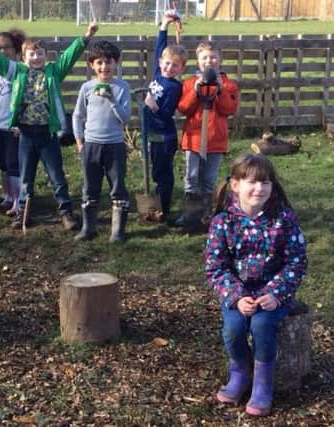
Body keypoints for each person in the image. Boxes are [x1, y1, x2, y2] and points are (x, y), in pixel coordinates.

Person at [205, 153, 307, 416]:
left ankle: (262, 384)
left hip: (273, 295)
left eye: (266, 182)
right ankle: (240, 373)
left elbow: (296, 261)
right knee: (234, 329)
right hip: (237, 294)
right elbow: (216, 267)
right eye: (252, 181)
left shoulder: (283, 219)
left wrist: (275, 293)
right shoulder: (223, 221)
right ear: (236, 184)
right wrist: (237, 296)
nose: (259, 188)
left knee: (262, 326)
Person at [0, 23, 99, 230]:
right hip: (26, 135)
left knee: (57, 176)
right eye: (32, 54)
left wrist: (85, 38)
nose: (36, 57)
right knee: (25, 178)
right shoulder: (16, 73)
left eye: (40, 53)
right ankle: (23, 212)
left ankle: (66, 212)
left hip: (47, 135)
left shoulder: (53, 72)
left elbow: (69, 56)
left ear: (45, 55)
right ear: (23, 57)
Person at [72, 40, 131, 242]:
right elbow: (78, 115)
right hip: (91, 144)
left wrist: (112, 100)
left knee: (117, 185)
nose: (104, 67)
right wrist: (80, 141)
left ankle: (117, 231)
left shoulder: (122, 87)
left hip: (114, 145)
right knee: (90, 186)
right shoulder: (87, 87)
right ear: (92, 65)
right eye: (99, 62)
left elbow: (125, 118)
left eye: (109, 62)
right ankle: (89, 228)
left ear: (116, 64)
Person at [177, 39, 239, 224]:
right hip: (194, 139)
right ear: (198, 61)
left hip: (215, 140)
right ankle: (190, 213)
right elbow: (183, 108)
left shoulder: (229, 85)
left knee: (208, 179)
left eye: (213, 57)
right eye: (204, 58)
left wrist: (220, 91)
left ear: (220, 60)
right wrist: (195, 92)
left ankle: (205, 214)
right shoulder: (189, 84)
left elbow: (229, 109)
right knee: (192, 177)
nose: (209, 61)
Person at [144, 11, 188, 221]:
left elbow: (167, 114)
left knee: (163, 175)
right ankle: (159, 203)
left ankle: (164, 209)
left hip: (164, 136)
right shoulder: (158, 74)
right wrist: (164, 25)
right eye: (167, 63)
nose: (169, 68)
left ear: (181, 68)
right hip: (152, 133)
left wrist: (153, 107)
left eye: (175, 65)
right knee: (156, 172)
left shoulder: (173, 87)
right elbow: (160, 48)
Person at [0, 28, 26, 216]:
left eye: (6, 47)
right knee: (2, 162)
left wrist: (20, 123)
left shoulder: (19, 70)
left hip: (12, 126)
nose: (2, 52)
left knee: (13, 163)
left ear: (15, 49)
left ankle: (19, 201)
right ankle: (8, 196)